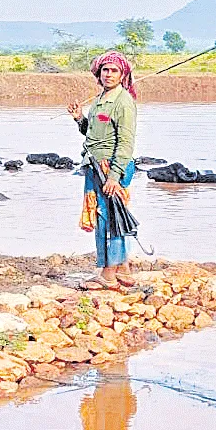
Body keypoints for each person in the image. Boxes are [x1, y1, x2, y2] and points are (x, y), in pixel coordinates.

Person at [67, 51, 138, 290]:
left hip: (111, 167)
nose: (108, 74)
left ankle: (108, 274)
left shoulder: (123, 102)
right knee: (106, 215)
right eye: (105, 70)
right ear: (99, 73)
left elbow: (126, 143)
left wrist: (114, 176)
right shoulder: (100, 99)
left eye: (114, 71)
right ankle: (124, 268)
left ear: (122, 75)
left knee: (111, 218)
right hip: (95, 166)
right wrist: (79, 119)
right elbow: (93, 135)